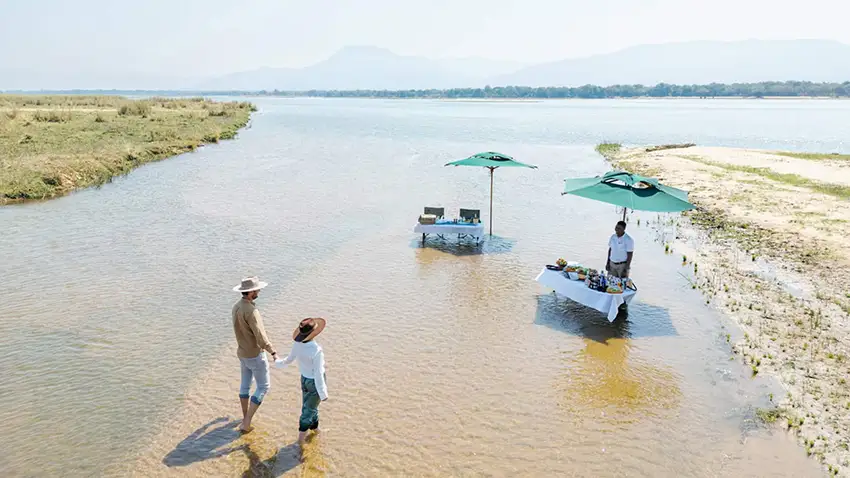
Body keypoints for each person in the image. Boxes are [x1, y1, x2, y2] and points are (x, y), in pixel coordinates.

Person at [232, 276, 278, 433]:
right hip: (254, 354)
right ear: (250, 292)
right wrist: (272, 351)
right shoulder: (252, 311)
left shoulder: (236, 307)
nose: (259, 291)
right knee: (263, 387)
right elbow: (260, 336)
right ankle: (246, 423)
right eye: (257, 289)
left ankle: (245, 416)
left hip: (242, 352)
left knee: (245, 384)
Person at [276, 318, 328, 445]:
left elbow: (288, 360)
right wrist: (323, 393)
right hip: (314, 382)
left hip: (304, 380)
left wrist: (277, 361)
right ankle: (300, 441)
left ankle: (316, 430)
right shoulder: (317, 350)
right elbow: (318, 373)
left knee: (311, 407)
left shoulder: (297, 344)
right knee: (308, 411)